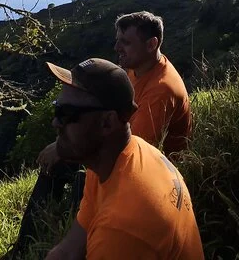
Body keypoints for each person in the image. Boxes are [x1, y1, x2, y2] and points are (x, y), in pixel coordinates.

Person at [5, 12, 196, 258]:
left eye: (67, 113)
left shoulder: (162, 89)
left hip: (140, 178)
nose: (117, 47)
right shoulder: (132, 73)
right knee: (63, 166)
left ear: (152, 44)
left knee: (75, 176)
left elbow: (135, 136)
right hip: (133, 159)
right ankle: (21, 249)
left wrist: (62, 148)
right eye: (57, 108)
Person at [43, 58, 202, 259]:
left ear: (107, 123)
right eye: (56, 107)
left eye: (66, 113)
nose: (55, 122)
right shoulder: (119, 156)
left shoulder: (121, 228)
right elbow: (69, 250)